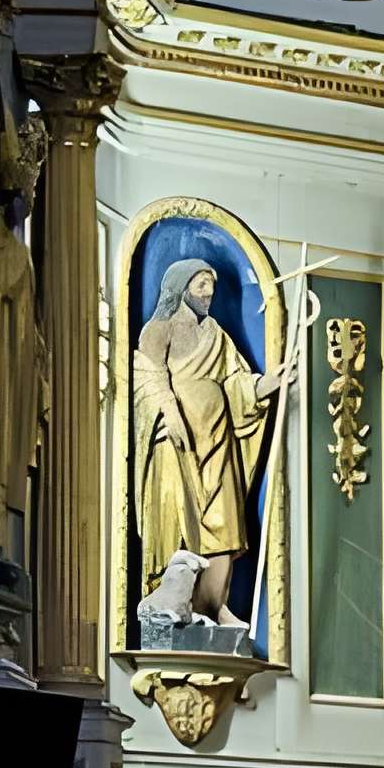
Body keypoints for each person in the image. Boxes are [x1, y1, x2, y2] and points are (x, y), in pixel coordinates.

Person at [131, 257, 269, 622]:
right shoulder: (158, 330)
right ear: (181, 288)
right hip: (178, 444)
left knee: (225, 521)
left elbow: (236, 379)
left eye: (211, 285)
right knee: (179, 517)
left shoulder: (215, 334)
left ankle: (214, 606)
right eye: (200, 285)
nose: (208, 292)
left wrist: (266, 385)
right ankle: (178, 604)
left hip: (218, 441)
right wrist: (170, 413)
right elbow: (147, 376)